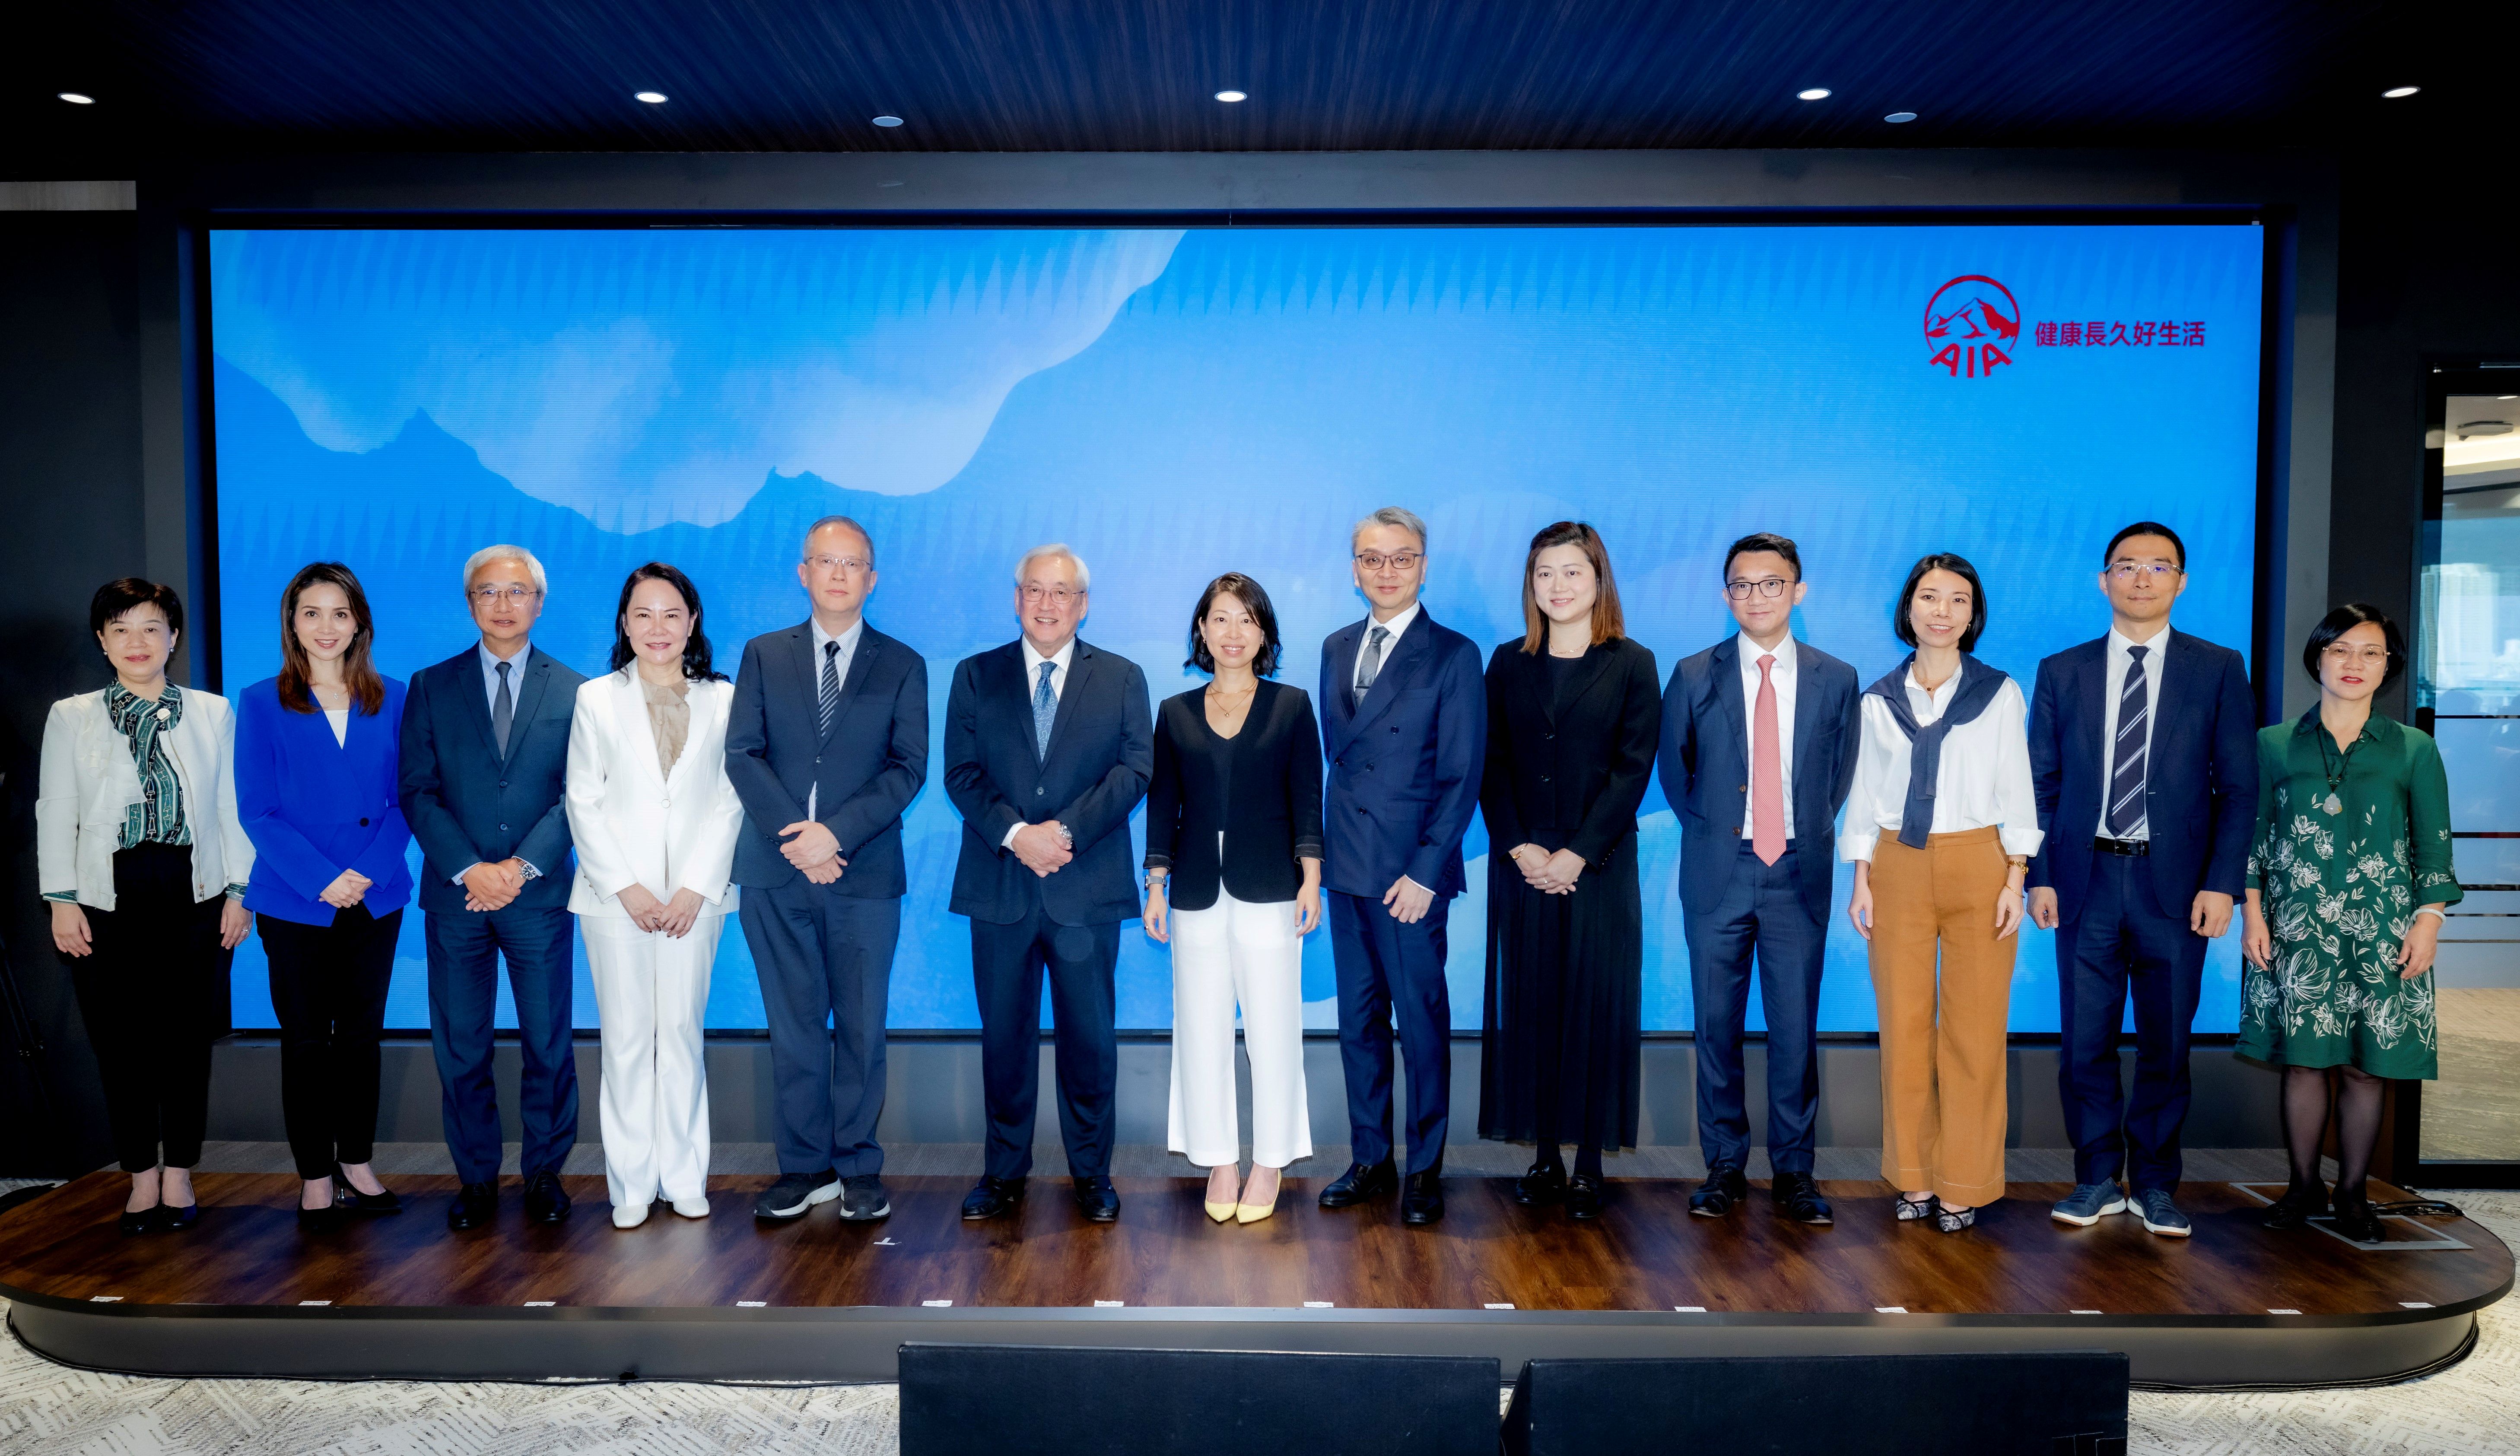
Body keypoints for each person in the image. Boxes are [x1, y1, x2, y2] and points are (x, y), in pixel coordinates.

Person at [2027, 523, 2257, 1239]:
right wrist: (2038, 874)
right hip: (2085, 879)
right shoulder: (2060, 670)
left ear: (2180, 582)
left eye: (2158, 567)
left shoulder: (2216, 668)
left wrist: (2222, 884)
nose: (2141, 579)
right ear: (2104, 580)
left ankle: (2156, 1183)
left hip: (2176, 888)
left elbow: (2239, 789)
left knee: (2167, 1042)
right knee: (2083, 1042)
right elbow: (2040, 782)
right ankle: (2096, 1176)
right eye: (2126, 566)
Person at [727, 517, 928, 1224]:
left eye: (854, 564)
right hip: (776, 874)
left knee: (863, 1028)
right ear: (802, 572)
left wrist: (833, 836)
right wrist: (798, 839)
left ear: (871, 579)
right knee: (795, 1026)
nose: (839, 575)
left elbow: (909, 769)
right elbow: (742, 754)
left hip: (864, 873)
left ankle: (858, 1165)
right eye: (826, 562)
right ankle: (804, 1167)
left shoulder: (903, 663)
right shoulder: (762, 654)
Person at [944, 544, 1152, 1224]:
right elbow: (961, 773)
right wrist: (1016, 835)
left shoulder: (1121, 677)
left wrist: (1061, 833)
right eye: (1034, 590)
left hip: (1083, 887)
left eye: (1062, 593)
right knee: (1004, 1042)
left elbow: (1132, 771)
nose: (1046, 603)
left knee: (1089, 1043)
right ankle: (1002, 1175)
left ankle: (1091, 1174)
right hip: (1000, 886)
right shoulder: (975, 676)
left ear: (1083, 604)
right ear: (1016, 598)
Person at [1657, 532, 1860, 1226]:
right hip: (1719, 871)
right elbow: (1674, 772)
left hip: (1796, 871)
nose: (1756, 596)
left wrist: (1792, 834)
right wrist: (1723, 832)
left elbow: (1839, 777)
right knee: (1714, 1026)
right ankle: (1723, 1167)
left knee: (1794, 1030)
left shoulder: (1836, 676)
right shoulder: (1691, 674)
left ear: (1797, 592)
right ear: (1725, 596)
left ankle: (1796, 1173)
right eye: (1741, 585)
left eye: (1770, 584)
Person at [39, 579, 254, 1234]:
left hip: (195, 889)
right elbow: (57, 812)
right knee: (121, 1044)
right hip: (106, 894)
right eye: (122, 629)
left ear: (174, 638)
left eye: (152, 628)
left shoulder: (213, 712)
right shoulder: (72, 716)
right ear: (103, 641)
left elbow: (231, 809)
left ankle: (180, 1172)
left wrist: (240, 892)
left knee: (186, 1042)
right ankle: (139, 1175)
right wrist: (60, 900)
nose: (138, 642)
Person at [2240, 605, 2458, 1244]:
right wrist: (2252, 914)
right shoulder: (2273, 743)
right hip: (2296, 927)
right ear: (2317, 659)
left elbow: (2434, 846)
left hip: (2383, 929)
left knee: (2366, 1067)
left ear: (2387, 665)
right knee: (2303, 1065)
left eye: (2370, 653)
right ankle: (2302, 1185)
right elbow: (2252, 838)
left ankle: (2354, 1191)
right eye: (2340, 650)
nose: (2353, 664)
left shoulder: (2412, 748)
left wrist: (2428, 923)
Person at [1843, 553, 2042, 1234]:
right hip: (1897, 863)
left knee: (1974, 1032)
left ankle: (1964, 1181)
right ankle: (1914, 1177)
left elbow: (2019, 786)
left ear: (1972, 615)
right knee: (1902, 1030)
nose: (1941, 611)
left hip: (1980, 863)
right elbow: (1864, 797)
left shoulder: (1999, 692)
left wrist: (2017, 875)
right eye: (1928, 597)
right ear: (1907, 609)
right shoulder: (1876, 699)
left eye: (1957, 600)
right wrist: (1860, 878)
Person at [400, 544, 587, 1231]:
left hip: (536, 898)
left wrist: (518, 869)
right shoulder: (430, 685)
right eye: (488, 592)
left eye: (516, 592)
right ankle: (476, 1179)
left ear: (538, 602)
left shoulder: (575, 690)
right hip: (457, 899)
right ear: (470, 602)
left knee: (547, 1043)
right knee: (462, 1046)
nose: (502, 604)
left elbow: (578, 796)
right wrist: (471, 869)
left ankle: (543, 1174)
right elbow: (416, 792)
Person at [1478, 523, 1660, 1221]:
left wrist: (1577, 853)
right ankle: (1545, 1157)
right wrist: (1521, 847)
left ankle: (1588, 1164)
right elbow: (1491, 764)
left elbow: (1631, 769)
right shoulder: (1507, 662)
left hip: (1599, 865)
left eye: (1571, 572)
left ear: (1598, 580)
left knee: (1595, 1007)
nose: (1557, 586)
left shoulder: (1632, 662)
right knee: (1534, 1007)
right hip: (1523, 866)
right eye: (1544, 574)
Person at [1316, 507, 1486, 1227]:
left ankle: (1424, 1167)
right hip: (1347, 871)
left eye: (1401, 557)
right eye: (1371, 558)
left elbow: (1461, 776)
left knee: (1418, 1024)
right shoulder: (1333, 646)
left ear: (1423, 565)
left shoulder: (1452, 653)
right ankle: (1369, 1158)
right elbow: (1339, 758)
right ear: (1353, 568)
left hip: (1409, 879)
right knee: (1357, 1025)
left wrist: (1423, 874)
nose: (1386, 570)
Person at [234, 563, 413, 1229]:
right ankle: (314, 1174)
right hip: (295, 896)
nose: (326, 627)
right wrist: (322, 878)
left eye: (339, 613)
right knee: (307, 1040)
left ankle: (358, 1163)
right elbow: (257, 810)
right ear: (292, 623)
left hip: (376, 892)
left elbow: (409, 796)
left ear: (360, 622)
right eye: (311, 613)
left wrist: (362, 872)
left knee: (362, 1036)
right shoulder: (259, 701)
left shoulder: (394, 697)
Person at [568, 563, 746, 1229]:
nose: (657, 628)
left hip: (694, 902)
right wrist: (629, 887)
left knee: (679, 1035)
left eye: (671, 614)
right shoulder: (596, 699)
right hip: (616, 901)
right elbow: (582, 800)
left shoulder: (724, 700)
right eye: (642, 615)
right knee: (624, 1040)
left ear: (692, 622)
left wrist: (695, 887)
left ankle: (683, 1176)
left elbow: (730, 801)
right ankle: (631, 1185)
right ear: (624, 623)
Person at [1143, 573, 1323, 1225]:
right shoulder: (1174, 712)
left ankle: (1271, 1159)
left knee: (1273, 1027)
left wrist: (1311, 879)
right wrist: (1155, 884)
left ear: (1264, 633)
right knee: (1200, 1025)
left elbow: (1307, 796)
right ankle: (1218, 1156)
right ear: (1201, 631)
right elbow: (1163, 804)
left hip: (1271, 886)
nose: (1233, 633)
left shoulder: (1291, 705)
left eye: (1247, 621)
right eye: (1220, 619)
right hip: (1191, 890)